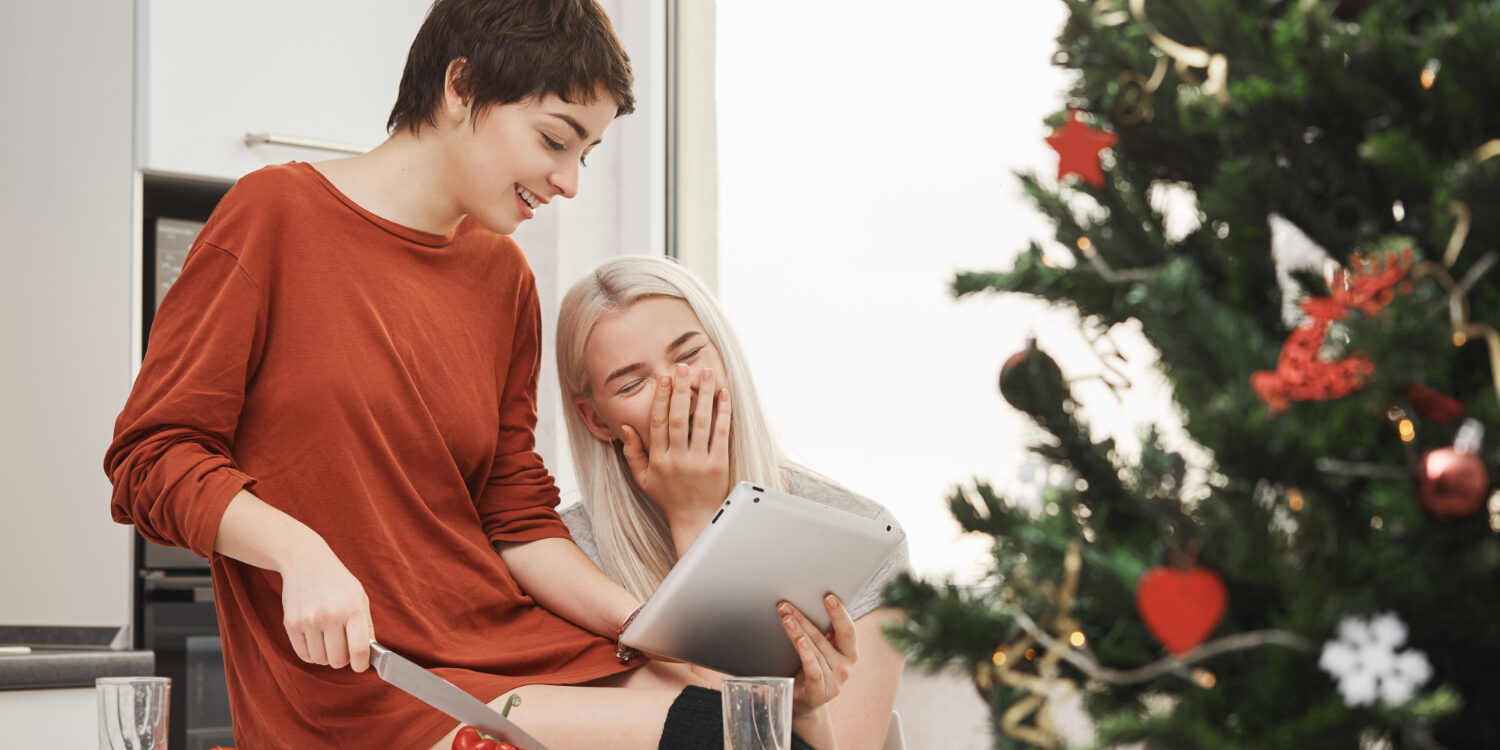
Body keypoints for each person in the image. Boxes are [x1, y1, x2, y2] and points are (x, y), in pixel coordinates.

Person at [105, 2, 848, 748]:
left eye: (585, 155)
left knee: (772, 725)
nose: (569, 182)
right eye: (554, 140)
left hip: (513, 648)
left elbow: (514, 518)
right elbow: (151, 457)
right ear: (460, 88)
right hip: (367, 687)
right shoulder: (273, 214)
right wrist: (300, 553)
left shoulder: (503, 277)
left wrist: (646, 627)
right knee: (719, 735)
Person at [556, 255, 912, 750]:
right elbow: (693, 731)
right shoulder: (565, 558)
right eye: (632, 384)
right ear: (596, 419)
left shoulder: (863, 540)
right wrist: (693, 514)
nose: (675, 390)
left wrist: (806, 713)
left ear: (724, 355)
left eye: (689, 354)